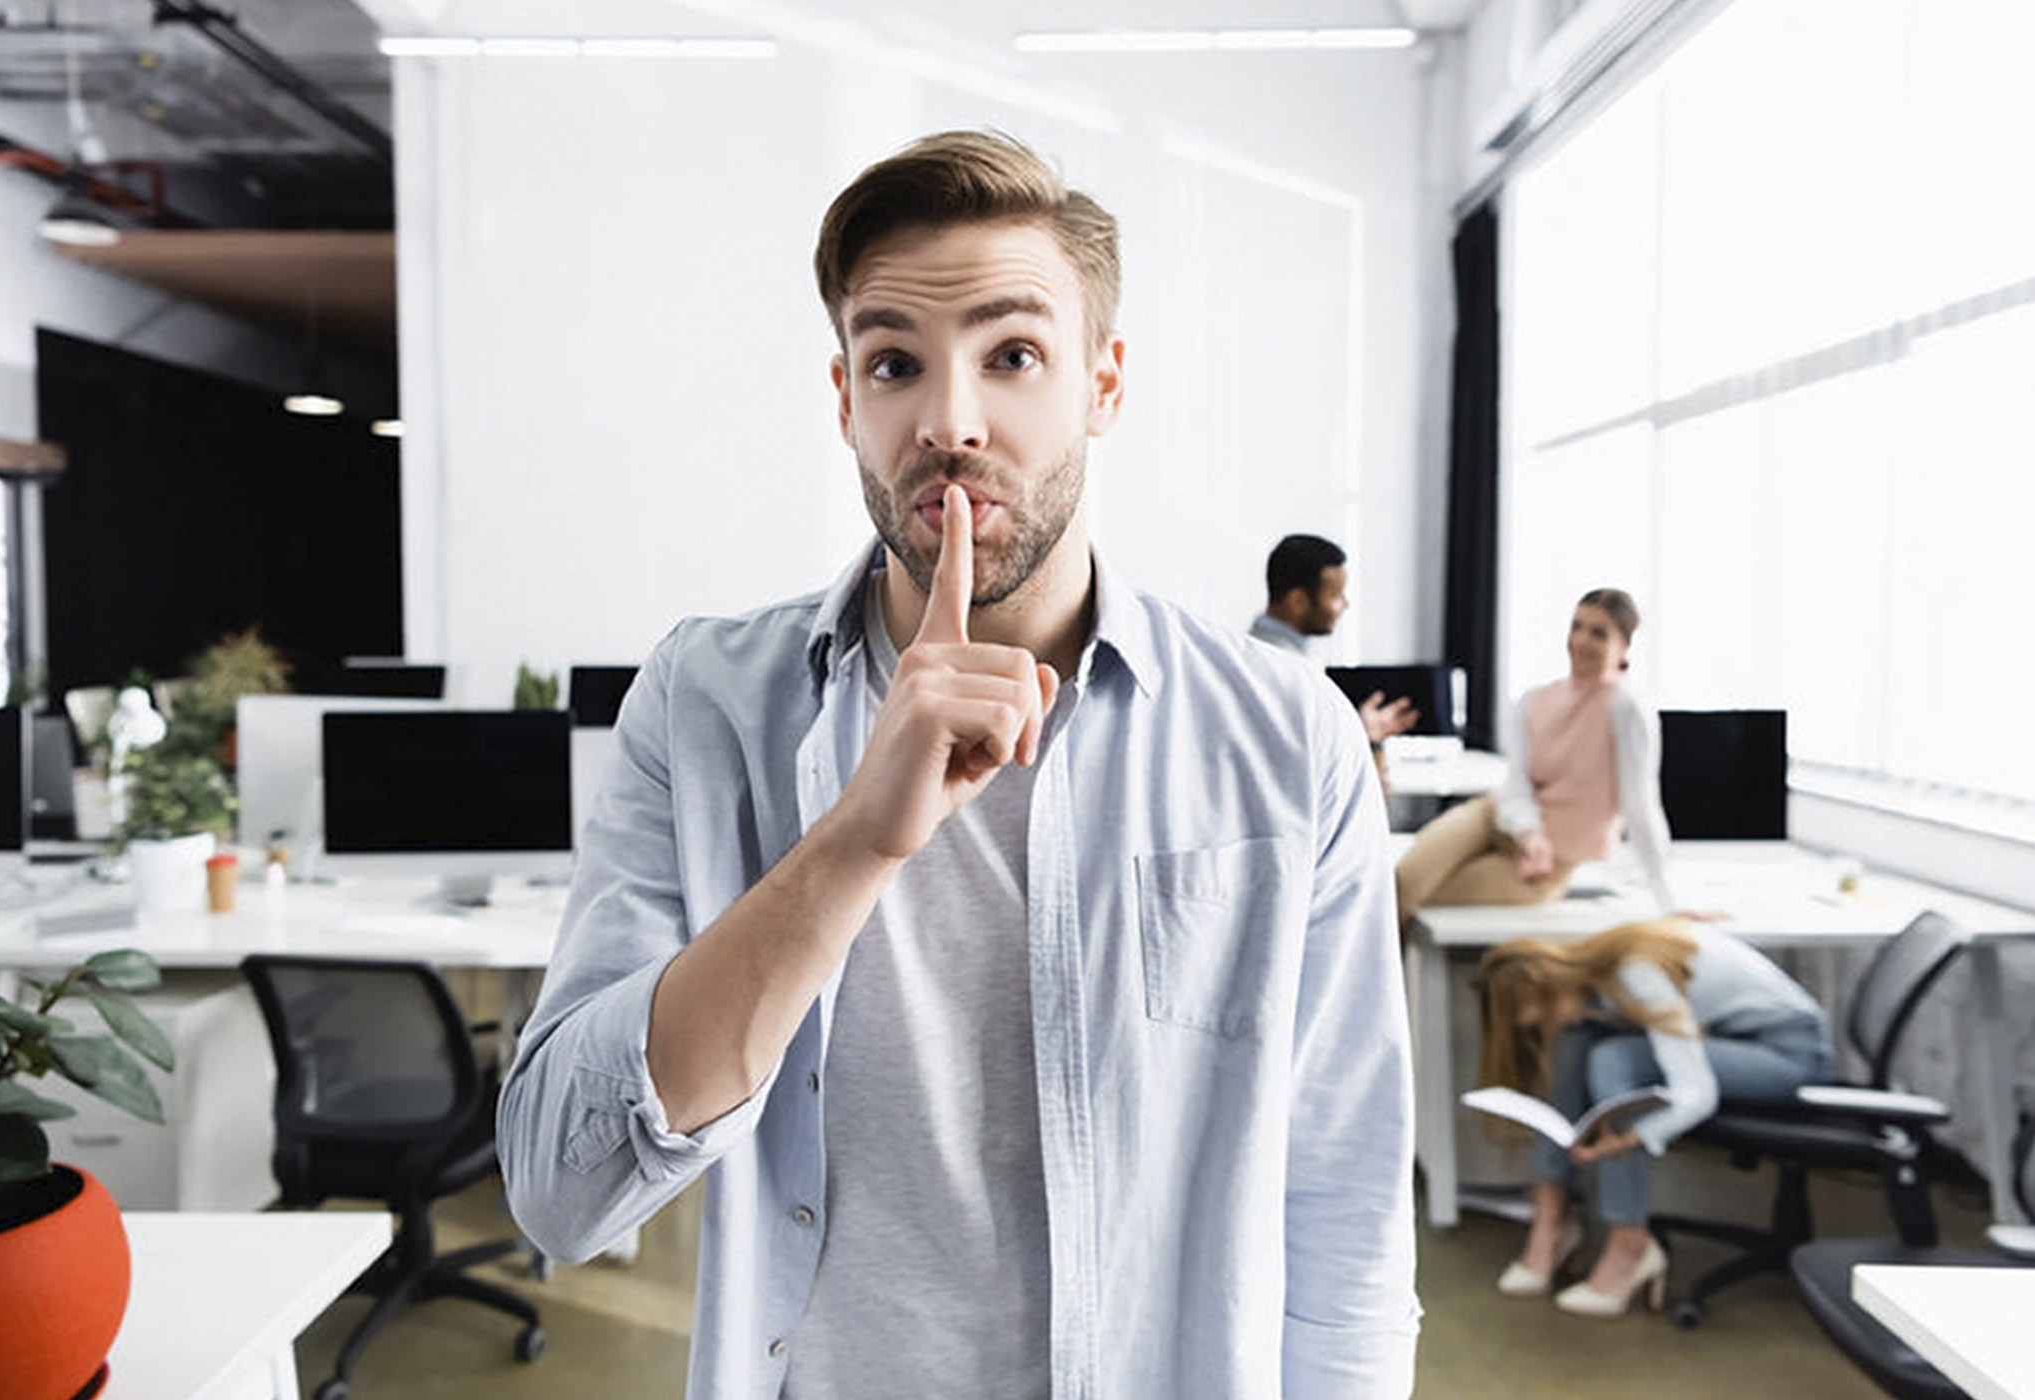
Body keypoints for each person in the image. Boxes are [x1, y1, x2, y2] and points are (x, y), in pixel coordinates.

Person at [496, 131, 1418, 1398]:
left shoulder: (1281, 733)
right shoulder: (708, 705)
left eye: (1014, 354)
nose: (949, 420)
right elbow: (562, 1190)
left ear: (1104, 382)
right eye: (895, 363)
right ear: (845, 401)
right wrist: (850, 845)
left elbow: (1345, 1196)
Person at [1474, 919, 1831, 1316]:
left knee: (1610, 1058)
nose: (1547, 1029)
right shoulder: (1597, 969)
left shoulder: (1635, 973)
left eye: (1542, 1020)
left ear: (1551, 982)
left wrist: (1634, 1137)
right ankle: (1552, 1220)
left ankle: (1631, 1244)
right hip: (1737, 1040)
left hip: (1789, 1056)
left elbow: (1697, 1093)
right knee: (1577, 1042)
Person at [1395, 587, 1675, 927]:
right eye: (1577, 626)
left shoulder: (1627, 709)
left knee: (1424, 900)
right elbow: (1517, 783)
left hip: (1551, 862)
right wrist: (1531, 835)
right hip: (1494, 819)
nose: (1581, 640)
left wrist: (1668, 903)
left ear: (1625, 646)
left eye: (1598, 633)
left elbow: (1641, 805)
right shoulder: (1535, 700)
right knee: (1399, 883)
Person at [1250, 532, 1418, 745]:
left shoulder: (1272, 655)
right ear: (1298, 600)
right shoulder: (1282, 669)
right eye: (1336, 595)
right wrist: (1363, 737)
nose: (1345, 604)